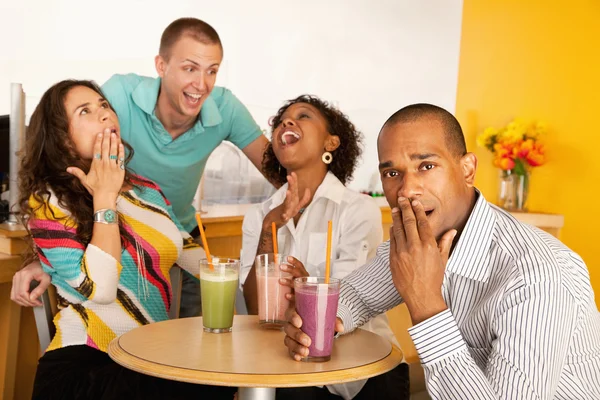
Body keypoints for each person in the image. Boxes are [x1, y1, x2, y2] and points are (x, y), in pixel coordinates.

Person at [283, 103, 600, 399]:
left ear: (467, 169)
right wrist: (316, 323)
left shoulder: (536, 275)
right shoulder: (417, 241)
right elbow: (357, 295)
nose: (407, 190)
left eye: (426, 165)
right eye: (392, 173)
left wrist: (425, 304)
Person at [12, 17, 270, 318]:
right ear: (161, 66)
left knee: (197, 339)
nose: (202, 84)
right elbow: (60, 151)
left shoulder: (152, 187)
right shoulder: (121, 95)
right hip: (113, 246)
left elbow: (278, 169)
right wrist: (46, 258)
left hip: (174, 232)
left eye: (212, 70)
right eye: (190, 68)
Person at [20, 79, 235, 399]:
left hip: (148, 357)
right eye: (86, 111)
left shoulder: (147, 191)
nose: (105, 114)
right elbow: (101, 289)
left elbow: (194, 258)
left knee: (215, 378)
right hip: (85, 366)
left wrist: (256, 271)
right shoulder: (48, 203)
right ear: (62, 140)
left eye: (104, 105)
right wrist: (104, 199)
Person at [240, 95, 409, 400]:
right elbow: (258, 310)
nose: (286, 123)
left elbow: (348, 305)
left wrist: (306, 289)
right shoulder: (260, 216)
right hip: (292, 368)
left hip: (366, 374)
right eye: (281, 121)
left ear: (331, 143)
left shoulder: (357, 210)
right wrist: (270, 229)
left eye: (303, 116)